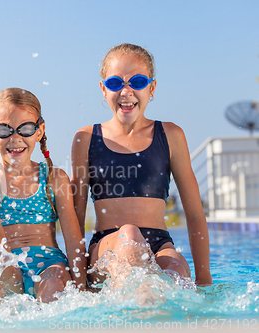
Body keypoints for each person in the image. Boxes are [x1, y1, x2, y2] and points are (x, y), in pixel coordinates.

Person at [71, 43, 212, 286]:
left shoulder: (171, 135)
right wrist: (79, 282)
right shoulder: (86, 138)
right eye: (116, 83)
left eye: (136, 82)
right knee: (129, 235)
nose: (126, 92)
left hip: (159, 242)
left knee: (177, 269)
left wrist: (205, 280)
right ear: (103, 89)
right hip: (107, 245)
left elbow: (195, 215)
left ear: (152, 87)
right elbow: (75, 215)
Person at [0, 88, 87, 303]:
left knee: (56, 281)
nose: (15, 138)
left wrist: (83, 289)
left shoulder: (54, 178)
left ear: (39, 131)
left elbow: (73, 239)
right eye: (4, 130)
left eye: (26, 129)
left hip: (48, 265)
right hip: (5, 268)